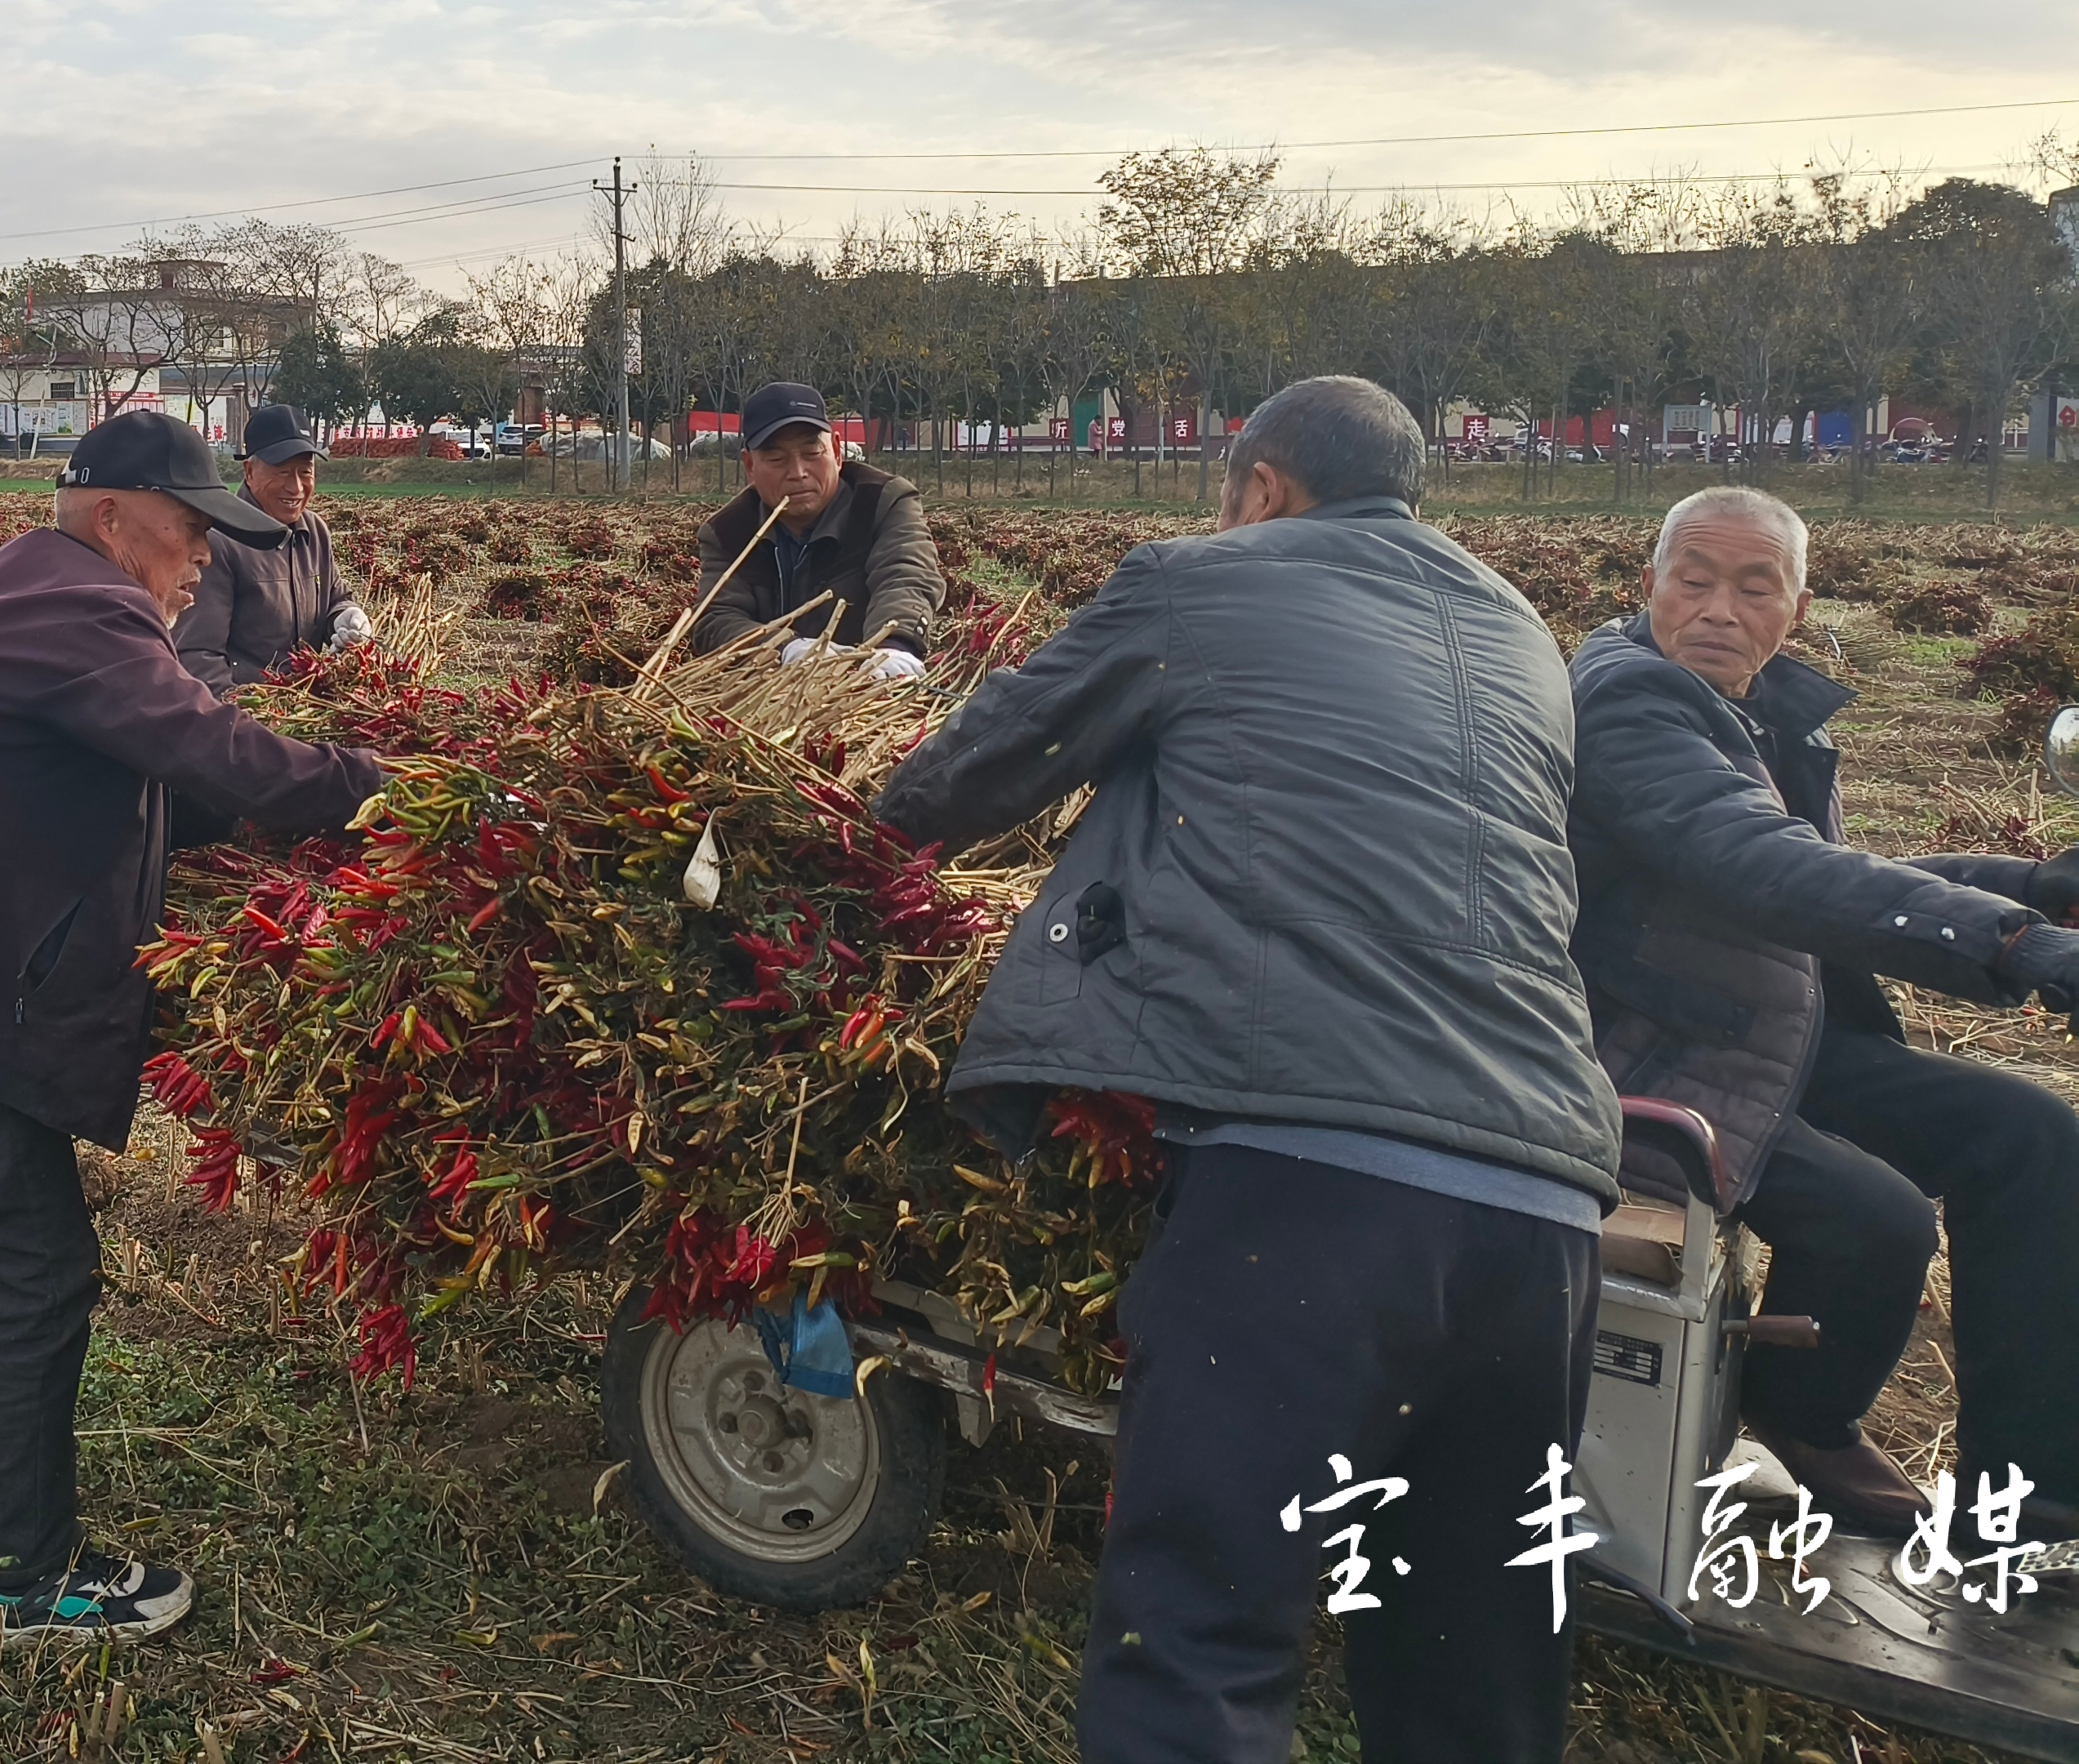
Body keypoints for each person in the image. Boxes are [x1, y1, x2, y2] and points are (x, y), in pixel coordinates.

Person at [876, 375, 1619, 1764]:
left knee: (1205, 1633)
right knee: (1472, 1661)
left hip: (1313, 1188)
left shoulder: (1195, 581)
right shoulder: (1523, 631)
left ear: (1262, 487)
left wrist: (859, 827)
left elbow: (977, 770)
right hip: (1548, 1208)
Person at [0, 411, 385, 1646]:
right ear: (117, 515)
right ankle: (21, 1584)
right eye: (189, 536)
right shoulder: (87, 608)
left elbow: (139, 783)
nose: (205, 564)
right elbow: (210, 748)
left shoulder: (33, 580)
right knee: (36, 1266)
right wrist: (382, 787)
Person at [1565, 486, 2079, 1535]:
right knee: (1876, 1217)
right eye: (1692, 580)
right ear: (1647, 587)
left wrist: (2027, 890)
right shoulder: (1625, 702)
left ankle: (2025, 1500)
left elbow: (1828, 867)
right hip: (1636, 1046)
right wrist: (2015, 950)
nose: (1718, 609)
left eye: (1753, 587)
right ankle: (1803, 1416)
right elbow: (1756, 861)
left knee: (2027, 1136)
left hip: (1752, 1026)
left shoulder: (1755, 708)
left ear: (1794, 609)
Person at [686, 381, 944, 673]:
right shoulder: (728, 532)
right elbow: (716, 617)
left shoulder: (882, 503)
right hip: (765, 693)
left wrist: (894, 646)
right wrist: (785, 648)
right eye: (776, 458)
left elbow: (906, 576)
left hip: (866, 681)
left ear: (836, 450)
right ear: (749, 466)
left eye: (812, 454)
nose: (798, 473)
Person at [174, 402, 371, 688]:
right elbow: (197, 657)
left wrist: (345, 617)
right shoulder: (219, 542)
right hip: (254, 711)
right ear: (249, 471)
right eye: (282, 472)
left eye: (305, 472)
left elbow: (336, 599)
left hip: (308, 702)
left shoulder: (314, 531)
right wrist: (241, 718)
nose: (296, 487)